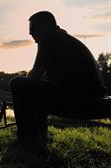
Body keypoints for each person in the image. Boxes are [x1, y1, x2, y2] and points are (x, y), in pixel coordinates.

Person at [10, 11, 105, 149]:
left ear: (46, 25)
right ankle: (39, 135)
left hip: (81, 101)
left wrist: (24, 85)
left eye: (33, 29)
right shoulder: (62, 38)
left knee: (17, 83)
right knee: (35, 88)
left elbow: (35, 75)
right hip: (91, 97)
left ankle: (27, 139)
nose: (30, 34)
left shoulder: (49, 38)